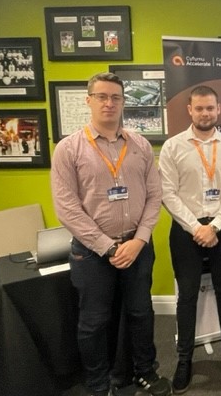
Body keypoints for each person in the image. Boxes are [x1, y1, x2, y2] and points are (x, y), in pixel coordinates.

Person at [50, 72, 171, 396]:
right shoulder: (68, 149)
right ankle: (99, 385)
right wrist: (107, 247)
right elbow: (67, 208)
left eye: (115, 97)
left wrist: (139, 240)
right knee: (94, 322)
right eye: (101, 96)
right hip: (90, 253)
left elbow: (154, 196)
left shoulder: (141, 145)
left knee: (141, 313)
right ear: (88, 101)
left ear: (123, 102)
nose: (109, 103)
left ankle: (145, 372)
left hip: (137, 246)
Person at [159, 85, 221, 393]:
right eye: (199, 108)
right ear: (190, 110)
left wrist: (216, 226)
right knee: (187, 295)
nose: (205, 113)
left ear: (218, 109)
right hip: (186, 230)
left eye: (210, 108)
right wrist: (196, 226)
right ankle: (184, 359)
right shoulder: (172, 147)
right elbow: (167, 193)